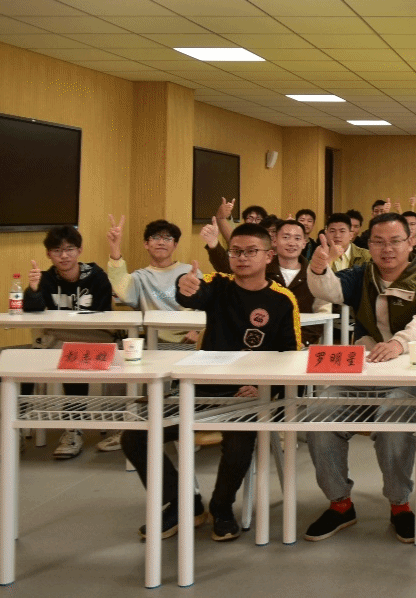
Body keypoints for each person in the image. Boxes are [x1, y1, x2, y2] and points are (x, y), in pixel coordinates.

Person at [121, 223, 301, 542]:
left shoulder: (283, 300)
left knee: (239, 442)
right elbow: (192, 294)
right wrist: (185, 287)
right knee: (135, 436)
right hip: (200, 391)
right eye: (236, 251)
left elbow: (291, 357)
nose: (242, 258)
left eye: (251, 251)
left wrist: (265, 388)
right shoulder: (218, 284)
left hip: (248, 396)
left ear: (269, 255)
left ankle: (221, 507)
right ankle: (183, 504)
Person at [303, 213, 416, 544]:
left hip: (408, 374)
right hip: (363, 371)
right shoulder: (361, 275)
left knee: (394, 419)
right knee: (319, 414)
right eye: (378, 242)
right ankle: (340, 504)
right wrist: (319, 268)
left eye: (395, 241)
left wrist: (398, 343)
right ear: (369, 245)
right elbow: (330, 290)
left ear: (411, 242)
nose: (387, 249)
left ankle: (399, 505)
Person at [20, 224, 115, 460]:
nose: (64, 256)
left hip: (95, 338)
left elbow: (104, 315)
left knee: (74, 359)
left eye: (69, 249)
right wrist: (33, 290)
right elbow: (31, 311)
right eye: (57, 251)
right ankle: (15, 427)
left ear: (79, 251)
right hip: (58, 339)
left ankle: (73, 428)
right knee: (23, 365)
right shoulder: (45, 278)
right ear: (48, 254)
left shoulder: (97, 277)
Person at [104, 215, 195, 453]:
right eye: (155, 237)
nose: (161, 242)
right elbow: (123, 291)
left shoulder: (188, 271)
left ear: (175, 244)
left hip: (188, 342)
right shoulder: (140, 277)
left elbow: (206, 304)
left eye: (168, 238)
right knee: (117, 365)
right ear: (146, 244)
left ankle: (183, 430)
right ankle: (125, 428)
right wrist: (115, 249)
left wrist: (196, 330)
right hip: (152, 344)